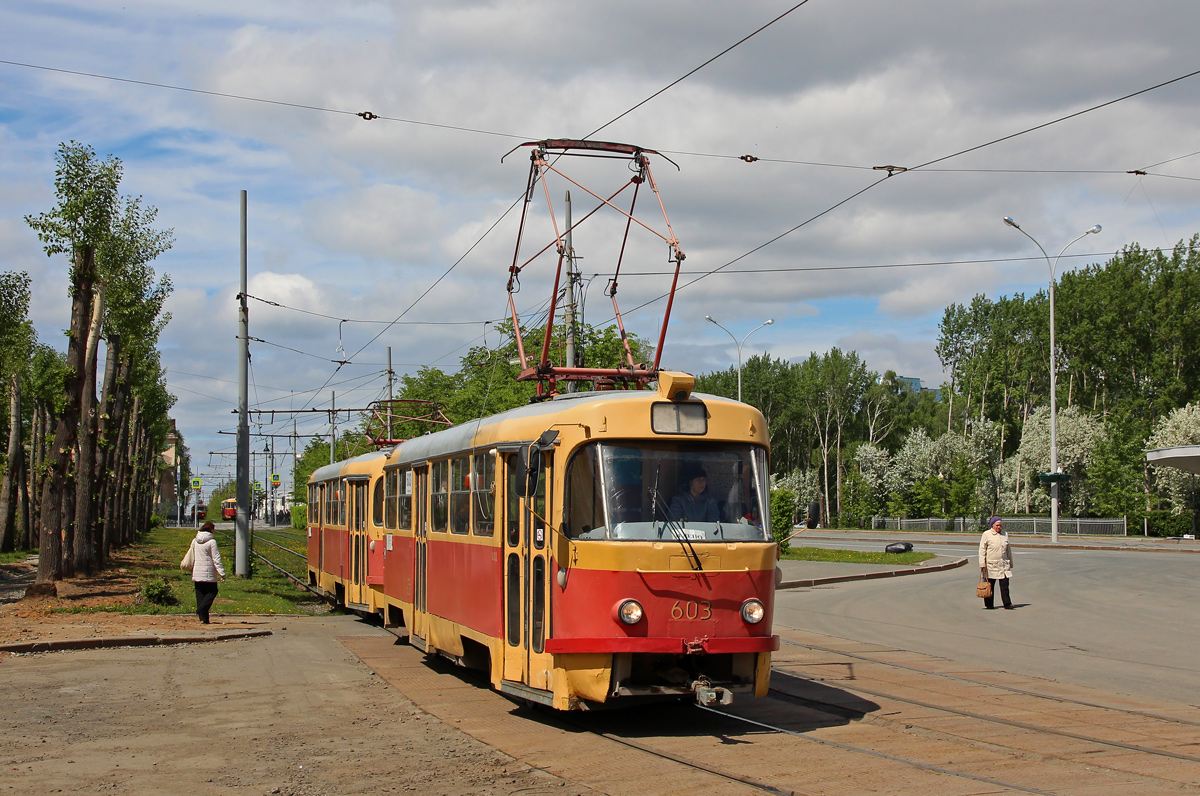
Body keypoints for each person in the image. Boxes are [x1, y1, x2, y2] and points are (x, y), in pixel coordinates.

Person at [191, 521, 226, 623]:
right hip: (209, 572)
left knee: (200, 595)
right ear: (210, 529)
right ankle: (200, 610)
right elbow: (216, 558)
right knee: (212, 591)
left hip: (197, 571)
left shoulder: (195, 541)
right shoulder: (212, 542)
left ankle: (204, 619)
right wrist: (221, 572)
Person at [978, 516, 1013, 609]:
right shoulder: (986, 534)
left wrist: (1010, 563)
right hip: (991, 565)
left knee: (1005, 585)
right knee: (990, 585)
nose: (999, 527)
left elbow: (1008, 550)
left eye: (1000, 525)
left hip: (1003, 565)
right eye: (997, 525)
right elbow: (982, 550)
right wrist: (982, 564)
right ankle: (989, 604)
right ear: (992, 525)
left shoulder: (1005, 534)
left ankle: (1007, 604)